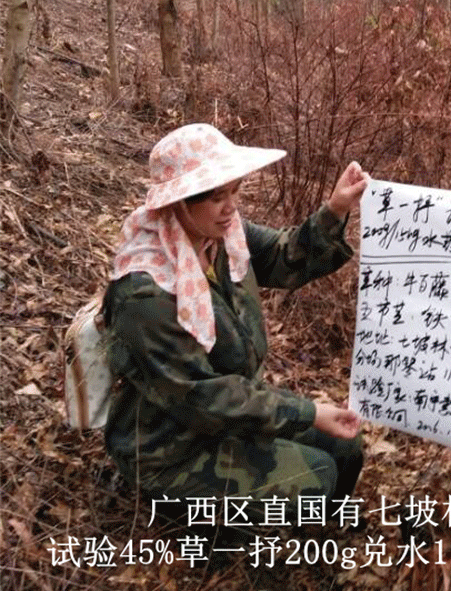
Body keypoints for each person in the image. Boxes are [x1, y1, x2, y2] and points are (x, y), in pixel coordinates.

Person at [102, 122, 369, 531]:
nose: (231, 207)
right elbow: (206, 399)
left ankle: (317, 535)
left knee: (345, 449)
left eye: (235, 191)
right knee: (316, 477)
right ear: (178, 203)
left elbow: (284, 257)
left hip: (232, 416)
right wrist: (308, 412)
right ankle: (215, 537)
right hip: (171, 447)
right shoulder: (145, 294)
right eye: (216, 197)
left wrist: (334, 211)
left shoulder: (223, 236)